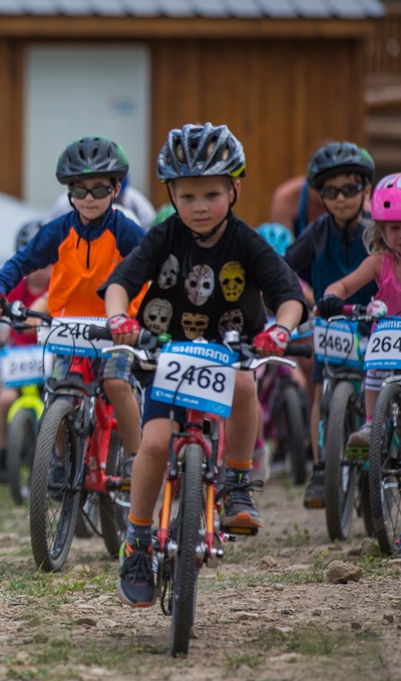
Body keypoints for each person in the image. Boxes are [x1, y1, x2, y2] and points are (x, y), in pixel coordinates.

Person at [104, 123, 306, 609]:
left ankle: (237, 483)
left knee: (243, 383)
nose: (199, 206)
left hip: (230, 350)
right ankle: (138, 541)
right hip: (167, 351)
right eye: (187, 194)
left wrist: (280, 329)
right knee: (152, 443)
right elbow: (120, 282)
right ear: (170, 193)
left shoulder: (248, 242)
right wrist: (116, 316)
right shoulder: (162, 236)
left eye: (211, 194)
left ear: (235, 189)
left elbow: (289, 296)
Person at [0, 138, 145, 488]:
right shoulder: (59, 230)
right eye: (79, 190)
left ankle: (135, 457)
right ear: (68, 192)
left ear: (116, 189)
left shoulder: (125, 231)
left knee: (116, 384)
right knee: (59, 393)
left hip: (117, 328)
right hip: (70, 327)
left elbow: (153, 263)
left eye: (99, 189)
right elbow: (22, 261)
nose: (88, 198)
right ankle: (57, 458)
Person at [282, 143, 376, 508]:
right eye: (331, 191)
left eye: (350, 189)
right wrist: (304, 293)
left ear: (366, 188)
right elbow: (286, 267)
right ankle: (322, 466)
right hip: (332, 326)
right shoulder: (316, 232)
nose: (341, 199)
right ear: (320, 194)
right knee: (321, 393)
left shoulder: (377, 231)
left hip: (374, 326)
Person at [318, 172, 401, 458]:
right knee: (375, 368)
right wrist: (331, 298)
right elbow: (344, 285)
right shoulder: (379, 262)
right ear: (381, 229)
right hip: (388, 339)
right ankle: (372, 426)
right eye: (395, 227)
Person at [0, 220, 50, 484]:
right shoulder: (18, 285)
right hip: (19, 361)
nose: (40, 270)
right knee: (5, 398)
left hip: (51, 362)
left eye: (46, 262)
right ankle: (4, 454)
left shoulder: (58, 288)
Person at [47, 171, 156, 228]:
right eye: (82, 191)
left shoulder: (138, 204)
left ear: (117, 190)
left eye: (100, 191)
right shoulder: (63, 206)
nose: (90, 199)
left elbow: (149, 229)